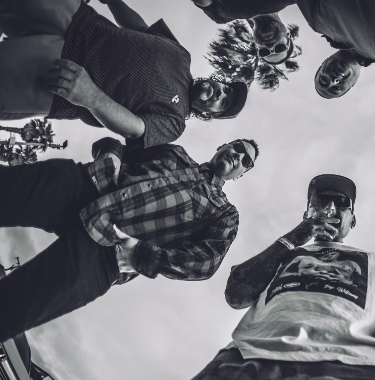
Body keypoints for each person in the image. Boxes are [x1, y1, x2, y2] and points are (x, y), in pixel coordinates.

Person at [147, 174, 375, 380]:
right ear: (307, 212)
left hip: (350, 370)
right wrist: (295, 237)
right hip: (245, 362)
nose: (330, 209)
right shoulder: (283, 254)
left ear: (352, 220)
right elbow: (236, 294)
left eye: (342, 204)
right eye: (321, 201)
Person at [0, 136, 259, 342]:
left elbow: (206, 262)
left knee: (14, 307)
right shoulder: (175, 153)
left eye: (246, 160)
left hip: (106, 256)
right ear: (223, 146)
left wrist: (146, 257)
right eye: (237, 147)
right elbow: (121, 146)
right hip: (84, 186)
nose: (238, 155)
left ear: (241, 175)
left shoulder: (224, 213)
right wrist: (110, 153)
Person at [0, 0, 249, 146]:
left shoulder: (175, 123)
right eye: (226, 88)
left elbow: (135, 129)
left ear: (208, 114)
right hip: (78, 19)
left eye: (223, 103)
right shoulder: (183, 55)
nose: (221, 93)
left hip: (64, 76)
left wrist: (89, 95)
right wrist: (113, 1)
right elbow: (139, 27)